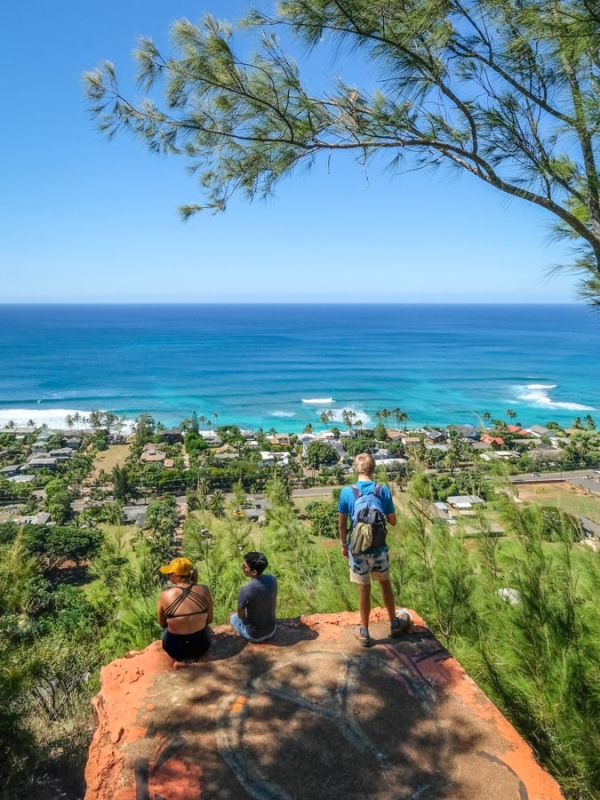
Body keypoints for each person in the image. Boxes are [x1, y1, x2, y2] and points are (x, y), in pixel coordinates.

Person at [338, 453, 410, 647]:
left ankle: (364, 632)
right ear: (373, 469)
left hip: (358, 549)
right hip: (379, 549)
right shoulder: (382, 490)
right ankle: (394, 624)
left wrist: (344, 545)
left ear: (356, 469)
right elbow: (393, 522)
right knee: (385, 584)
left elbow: (342, 523)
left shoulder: (347, 492)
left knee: (364, 589)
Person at [158, 557, 213, 667]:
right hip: (201, 646)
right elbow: (209, 620)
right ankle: (194, 658)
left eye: (169, 573)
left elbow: (162, 624)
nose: (168, 576)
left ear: (177, 576)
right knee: (206, 628)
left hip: (174, 649)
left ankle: (179, 660)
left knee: (165, 630)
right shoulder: (205, 590)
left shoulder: (165, 595)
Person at [230, 552, 277, 643]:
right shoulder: (272, 579)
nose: (242, 568)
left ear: (254, 572)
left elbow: (241, 616)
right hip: (272, 630)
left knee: (232, 616)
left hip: (254, 635)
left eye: (245, 567)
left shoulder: (246, 590)